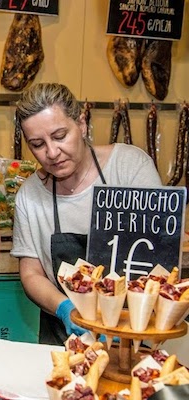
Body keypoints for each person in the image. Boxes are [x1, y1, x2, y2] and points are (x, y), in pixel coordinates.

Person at [10, 83, 162, 345]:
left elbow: (159, 256)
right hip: (65, 337)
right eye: (37, 144)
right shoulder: (30, 195)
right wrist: (65, 308)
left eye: (60, 136)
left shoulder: (129, 169)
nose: (52, 153)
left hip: (133, 334)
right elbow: (31, 273)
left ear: (81, 124)